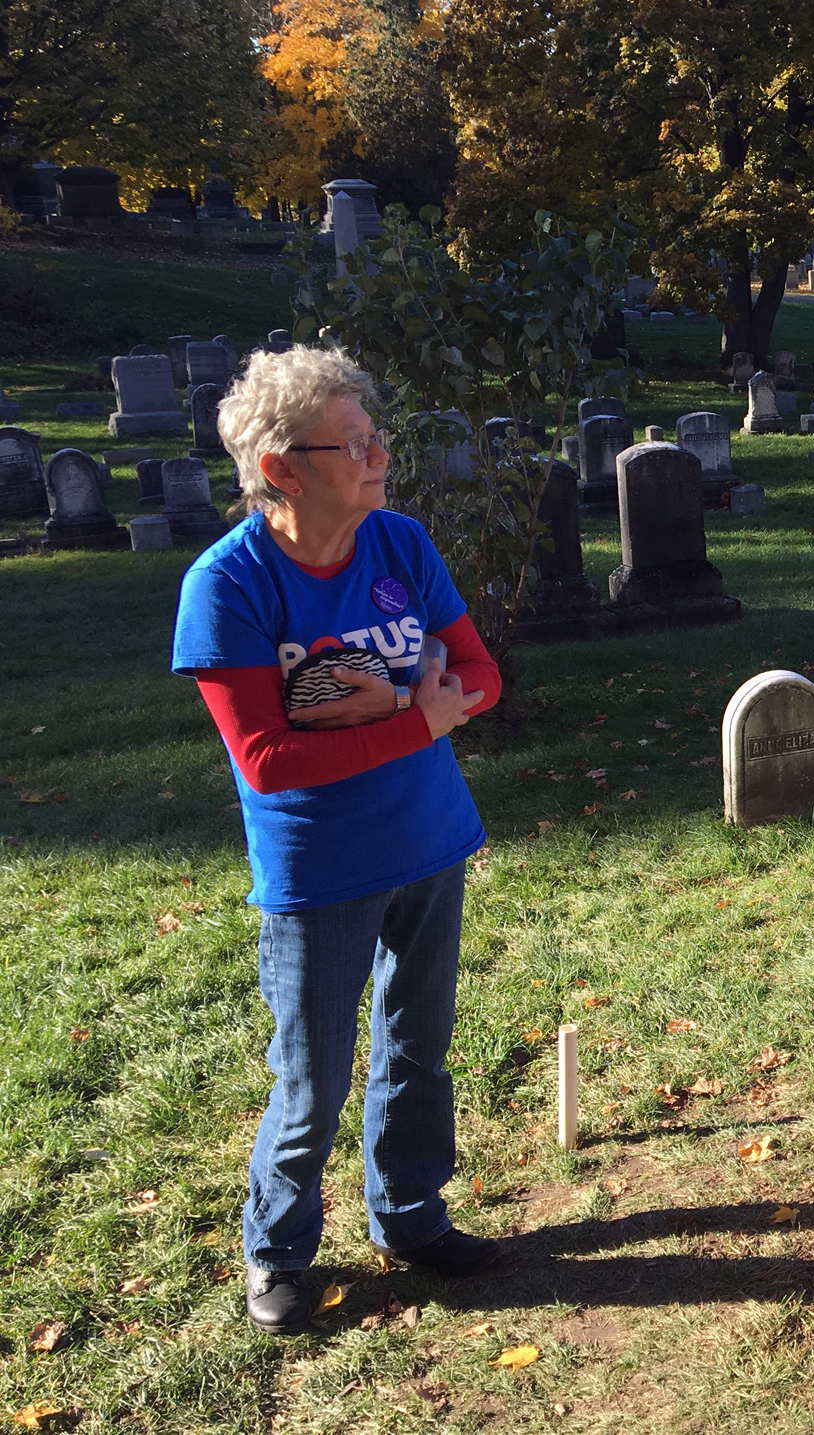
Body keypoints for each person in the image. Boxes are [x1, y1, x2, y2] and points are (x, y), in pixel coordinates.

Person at [171, 345, 503, 1334]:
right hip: (318, 872)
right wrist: (417, 718)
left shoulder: (398, 545)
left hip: (428, 841)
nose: (378, 456)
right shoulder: (228, 585)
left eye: (375, 437)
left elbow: (480, 675)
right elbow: (268, 759)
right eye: (352, 443)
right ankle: (277, 1252)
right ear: (280, 466)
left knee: (418, 1049)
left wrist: (401, 702)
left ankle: (411, 1216)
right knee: (311, 1083)